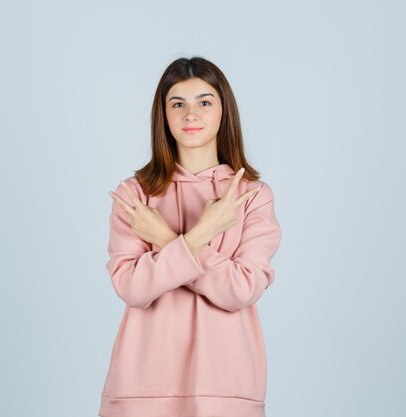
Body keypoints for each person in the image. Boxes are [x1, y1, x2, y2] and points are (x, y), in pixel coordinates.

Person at [98, 56, 282, 417]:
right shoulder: (135, 193)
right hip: (141, 386)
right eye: (177, 104)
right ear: (162, 114)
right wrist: (201, 235)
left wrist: (167, 239)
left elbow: (240, 290)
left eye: (204, 102)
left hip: (228, 385)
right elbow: (133, 288)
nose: (190, 115)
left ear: (223, 111)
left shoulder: (252, 196)